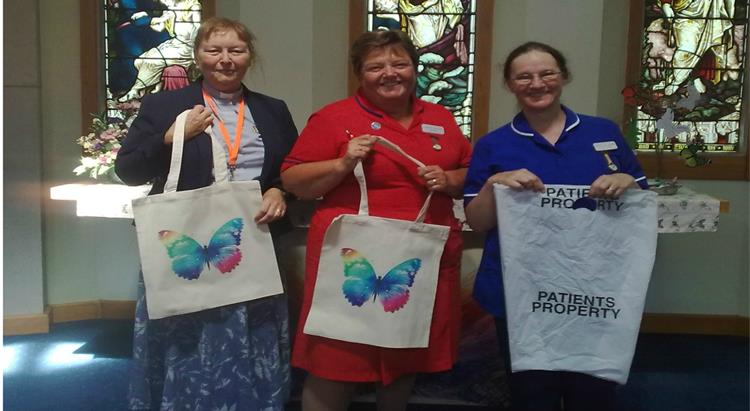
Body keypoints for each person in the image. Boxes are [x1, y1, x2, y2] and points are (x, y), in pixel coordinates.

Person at [281, 29, 472, 411]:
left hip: (418, 259)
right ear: (359, 74)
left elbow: (470, 170)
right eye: (376, 66)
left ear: (414, 70)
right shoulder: (335, 118)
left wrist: (449, 179)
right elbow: (293, 181)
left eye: (399, 63)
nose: (390, 72)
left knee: (405, 351)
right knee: (336, 356)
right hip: (354, 259)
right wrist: (342, 162)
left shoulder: (439, 117)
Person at [114, 17, 298, 411]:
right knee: (187, 338)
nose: (225, 60)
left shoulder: (272, 110)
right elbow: (128, 170)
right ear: (198, 55)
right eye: (214, 50)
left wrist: (280, 190)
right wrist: (169, 137)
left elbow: (292, 170)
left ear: (250, 56)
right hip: (186, 242)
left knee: (250, 334)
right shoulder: (164, 104)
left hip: (250, 242)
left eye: (236, 50)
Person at [463, 42, 648, 411]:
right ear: (510, 85)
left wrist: (627, 182)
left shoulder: (603, 133)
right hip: (520, 291)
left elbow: (640, 201)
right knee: (532, 391)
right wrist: (493, 183)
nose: (537, 83)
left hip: (592, 287)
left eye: (547, 73)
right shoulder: (493, 145)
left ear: (563, 76)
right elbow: (477, 220)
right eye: (524, 76)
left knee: (592, 391)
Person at [119, 0, 202, 102]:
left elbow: (199, 29)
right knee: (140, 61)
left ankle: (136, 90)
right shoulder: (170, 10)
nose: (163, 2)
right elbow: (158, 28)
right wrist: (149, 18)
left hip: (187, 47)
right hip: (175, 43)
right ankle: (151, 88)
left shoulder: (193, 7)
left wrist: (196, 50)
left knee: (152, 61)